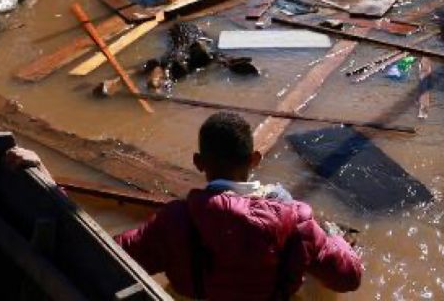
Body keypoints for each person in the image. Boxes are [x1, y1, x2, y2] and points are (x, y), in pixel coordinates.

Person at [115, 112, 363, 300]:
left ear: (198, 163)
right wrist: (337, 240)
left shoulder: (173, 219)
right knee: (315, 270)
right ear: (254, 160)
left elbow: (116, 253)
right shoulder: (292, 217)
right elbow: (349, 278)